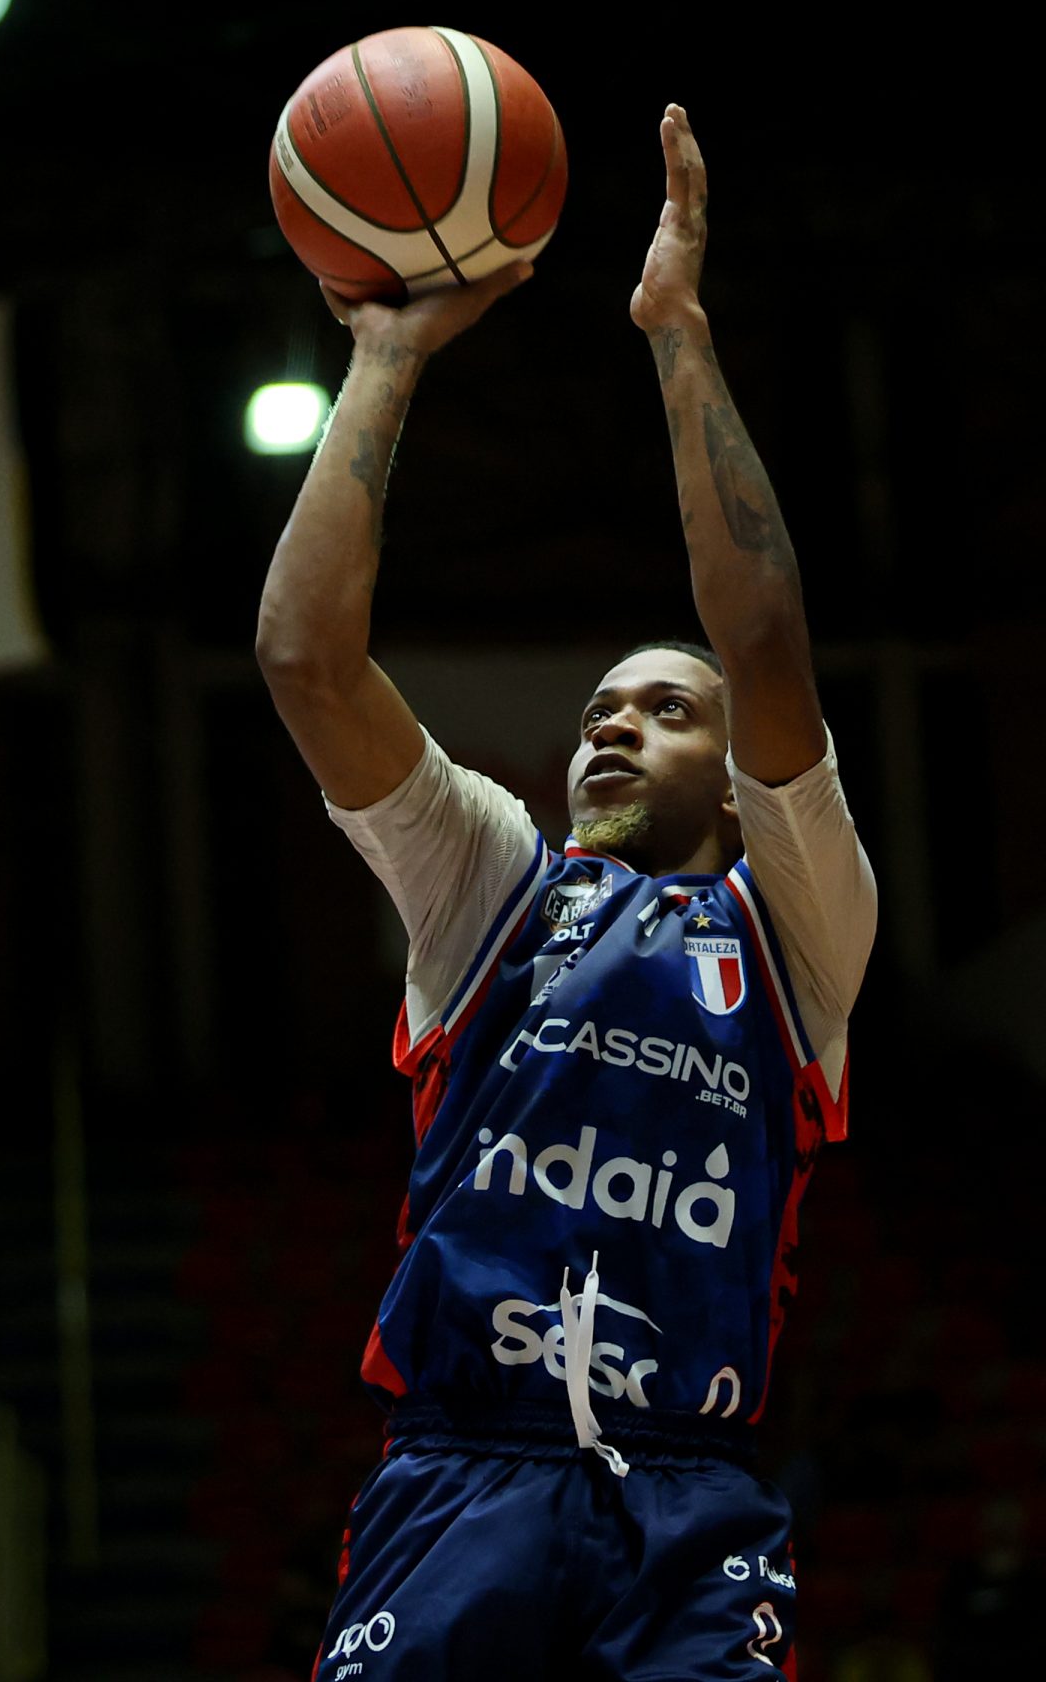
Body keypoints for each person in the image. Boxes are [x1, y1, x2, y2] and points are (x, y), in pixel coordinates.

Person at [256, 104, 876, 1681]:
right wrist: (384, 357)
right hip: (463, 1470)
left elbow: (764, 640)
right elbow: (306, 661)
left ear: (739, 785)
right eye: (601, 705)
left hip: (689, 1504)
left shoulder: (797, 929)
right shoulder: (493, 884)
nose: (613, 722)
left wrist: (677, 335)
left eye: (666, 708)